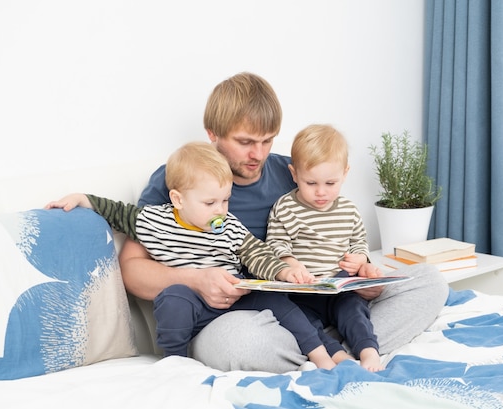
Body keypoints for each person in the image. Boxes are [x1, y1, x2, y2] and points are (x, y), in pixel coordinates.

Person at [119, 71, 450, 373]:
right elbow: (132, 270)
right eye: (246, 142)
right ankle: (335, 349)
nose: (258, 155)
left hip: (315, 299)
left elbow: (338, 233)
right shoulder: (178, 179)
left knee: (429, 281)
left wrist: (363, 276)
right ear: (213, 135)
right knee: (240, 342)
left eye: (268, 140)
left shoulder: (294, 173)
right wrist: (195, 280)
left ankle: (335, 348)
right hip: (240, 316)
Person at [45, 141, 341, 369]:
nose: (221, 210)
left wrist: (283, 271)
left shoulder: (228, 225)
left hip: (235, 293)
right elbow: (117, 213)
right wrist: (83, 199)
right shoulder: (154, 221)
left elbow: (255, 251)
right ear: (178, 199)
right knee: (173, 298)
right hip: (195, 303)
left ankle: (320, 355)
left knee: (279, 300)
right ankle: (175, 361)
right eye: (210, 202)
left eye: (225, 200)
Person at [265, 124, 383, 371]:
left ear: (345, 173)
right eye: (311, 183)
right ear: (294, 174)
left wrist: (360, 259)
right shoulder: (286, 208)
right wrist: (291, 264)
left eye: (330, 183)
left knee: (355, 312)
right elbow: (276, 244)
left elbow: (360, 241)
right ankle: (337, 356)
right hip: (304, 292)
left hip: (340, 288)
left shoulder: (348, 210)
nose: (321, 192)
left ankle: (368, 351)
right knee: (303, 323)